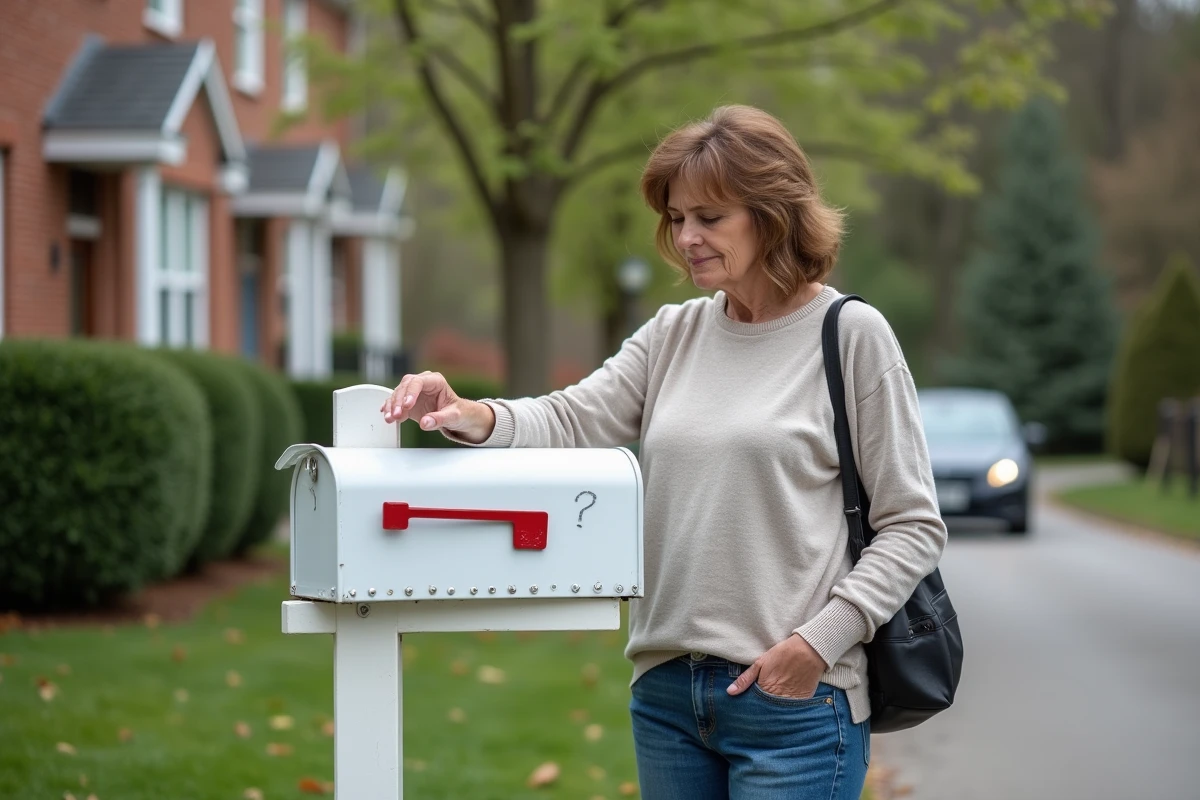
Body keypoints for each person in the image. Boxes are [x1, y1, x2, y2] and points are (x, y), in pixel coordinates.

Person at [380, 104, 947, 800]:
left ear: (774, 213)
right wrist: (464, 412)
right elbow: (569, 418)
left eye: (710, 217)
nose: (687, 238)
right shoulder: (674, 332)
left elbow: (913, 524)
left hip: (796, 704)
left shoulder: (851, 335)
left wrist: (817, 645)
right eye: (677, 218)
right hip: (668, 698)